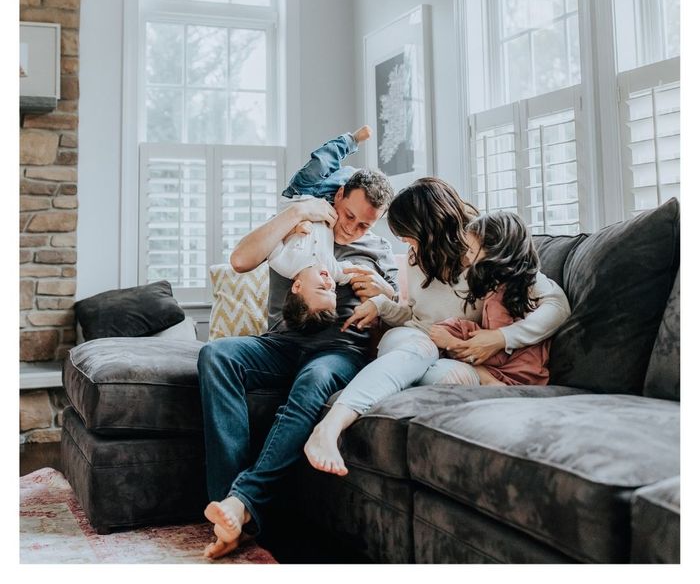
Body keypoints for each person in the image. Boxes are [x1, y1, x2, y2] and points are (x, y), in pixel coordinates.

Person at [197, 131, 398, 559]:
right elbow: (240, 260)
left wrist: (384, 294)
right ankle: (227, 506)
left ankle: (241, 503)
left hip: (339, 351)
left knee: (315, 379)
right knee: (216, 355)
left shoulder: (378, 250)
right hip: (281, 343)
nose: (353, 229)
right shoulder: (303, 226)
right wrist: (298, 211)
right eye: (349, 216)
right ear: (338, 195)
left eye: (365, 225)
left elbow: (403, 312)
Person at [303, 177, 571, 476]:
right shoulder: (416, 257)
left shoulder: (483, 251)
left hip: (453, 357)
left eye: (408, 235)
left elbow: (557, 306)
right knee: (421, 348)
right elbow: (415, 318)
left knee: (444, 374)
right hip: (415, 340)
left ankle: (368, 398)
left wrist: (500, 337)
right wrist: (381, 305)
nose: (405, 244)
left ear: (429, 228)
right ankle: (330, 427)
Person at [422, 210, 551, 387]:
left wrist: (451, 342)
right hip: (530, 371)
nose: (466, 256)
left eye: (472, 250)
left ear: (494, 254)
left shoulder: (500, 296)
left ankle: (490, 382)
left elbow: (497, 355)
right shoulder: (518, 285)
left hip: (515, 375)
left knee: (449, 339)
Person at [269, 126, 374, 331]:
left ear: (297, 287)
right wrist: (382, 293)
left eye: (320, 288)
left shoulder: (283, 263)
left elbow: (272, 233)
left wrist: (293, 230)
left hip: (300, 193)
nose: (329, 283)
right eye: (332, 291)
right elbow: (357, 273)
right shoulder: (332, 270)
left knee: (323, 161)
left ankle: (351, 140)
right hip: (326, 202)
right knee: (353, 178)